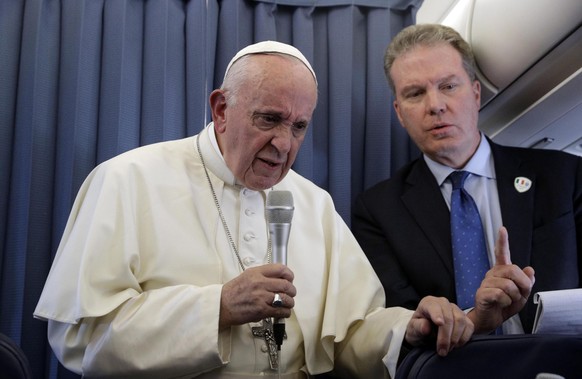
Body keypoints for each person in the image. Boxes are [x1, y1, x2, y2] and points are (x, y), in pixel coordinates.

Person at [34, 40, 474, 379]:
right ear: (222, 110)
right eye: (269, 119)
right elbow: (80, 336)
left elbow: (350, 335)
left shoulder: (313, 205)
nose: (284, 144)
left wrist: (406, 330)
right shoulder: (127, 180)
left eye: (299, 126)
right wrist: (219, 307)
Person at [352, 23, 581, 335]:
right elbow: (399, 326)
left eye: (448, 86)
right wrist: (472, 320)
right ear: (400, 113)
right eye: (416, 93)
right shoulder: (378, 210)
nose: (435, 105)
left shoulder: (564, 176)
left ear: (475, 94)